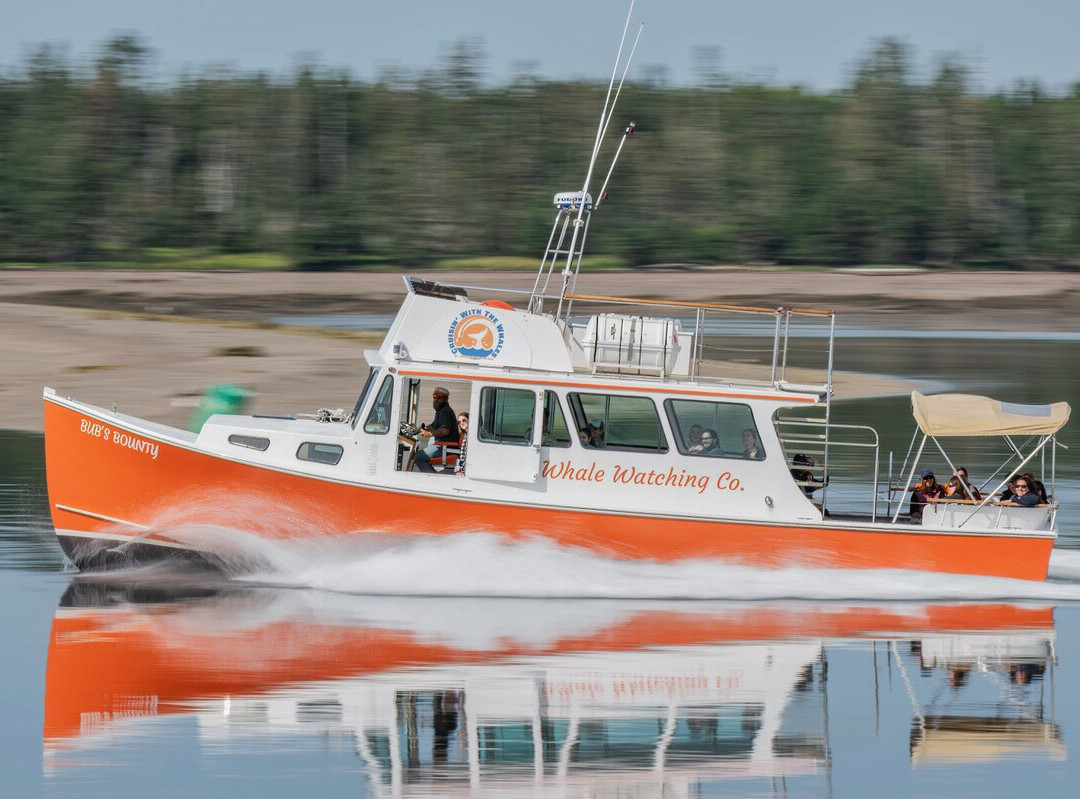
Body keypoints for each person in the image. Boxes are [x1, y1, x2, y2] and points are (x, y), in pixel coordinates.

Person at [414, 387, 460, 473]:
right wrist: (422, 429)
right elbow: (433, 426)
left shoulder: (445, 411)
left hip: (445, 447)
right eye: (434, 397)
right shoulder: (441, 411)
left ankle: (431, 478)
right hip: (442, 446)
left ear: (446, 399)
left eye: (439, 397)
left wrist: (428, 433)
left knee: (419, 457)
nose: (436, 400)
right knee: (420, 455)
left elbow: (444, 431)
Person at [453, 412, 469, 477]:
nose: (462, 423)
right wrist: (457, 465)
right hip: (462, 469)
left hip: (469, 469)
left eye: (464, 420)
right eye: (459, 422)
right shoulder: (462, 435)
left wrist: (461, 468)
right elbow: (459, 454)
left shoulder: (478, 435)